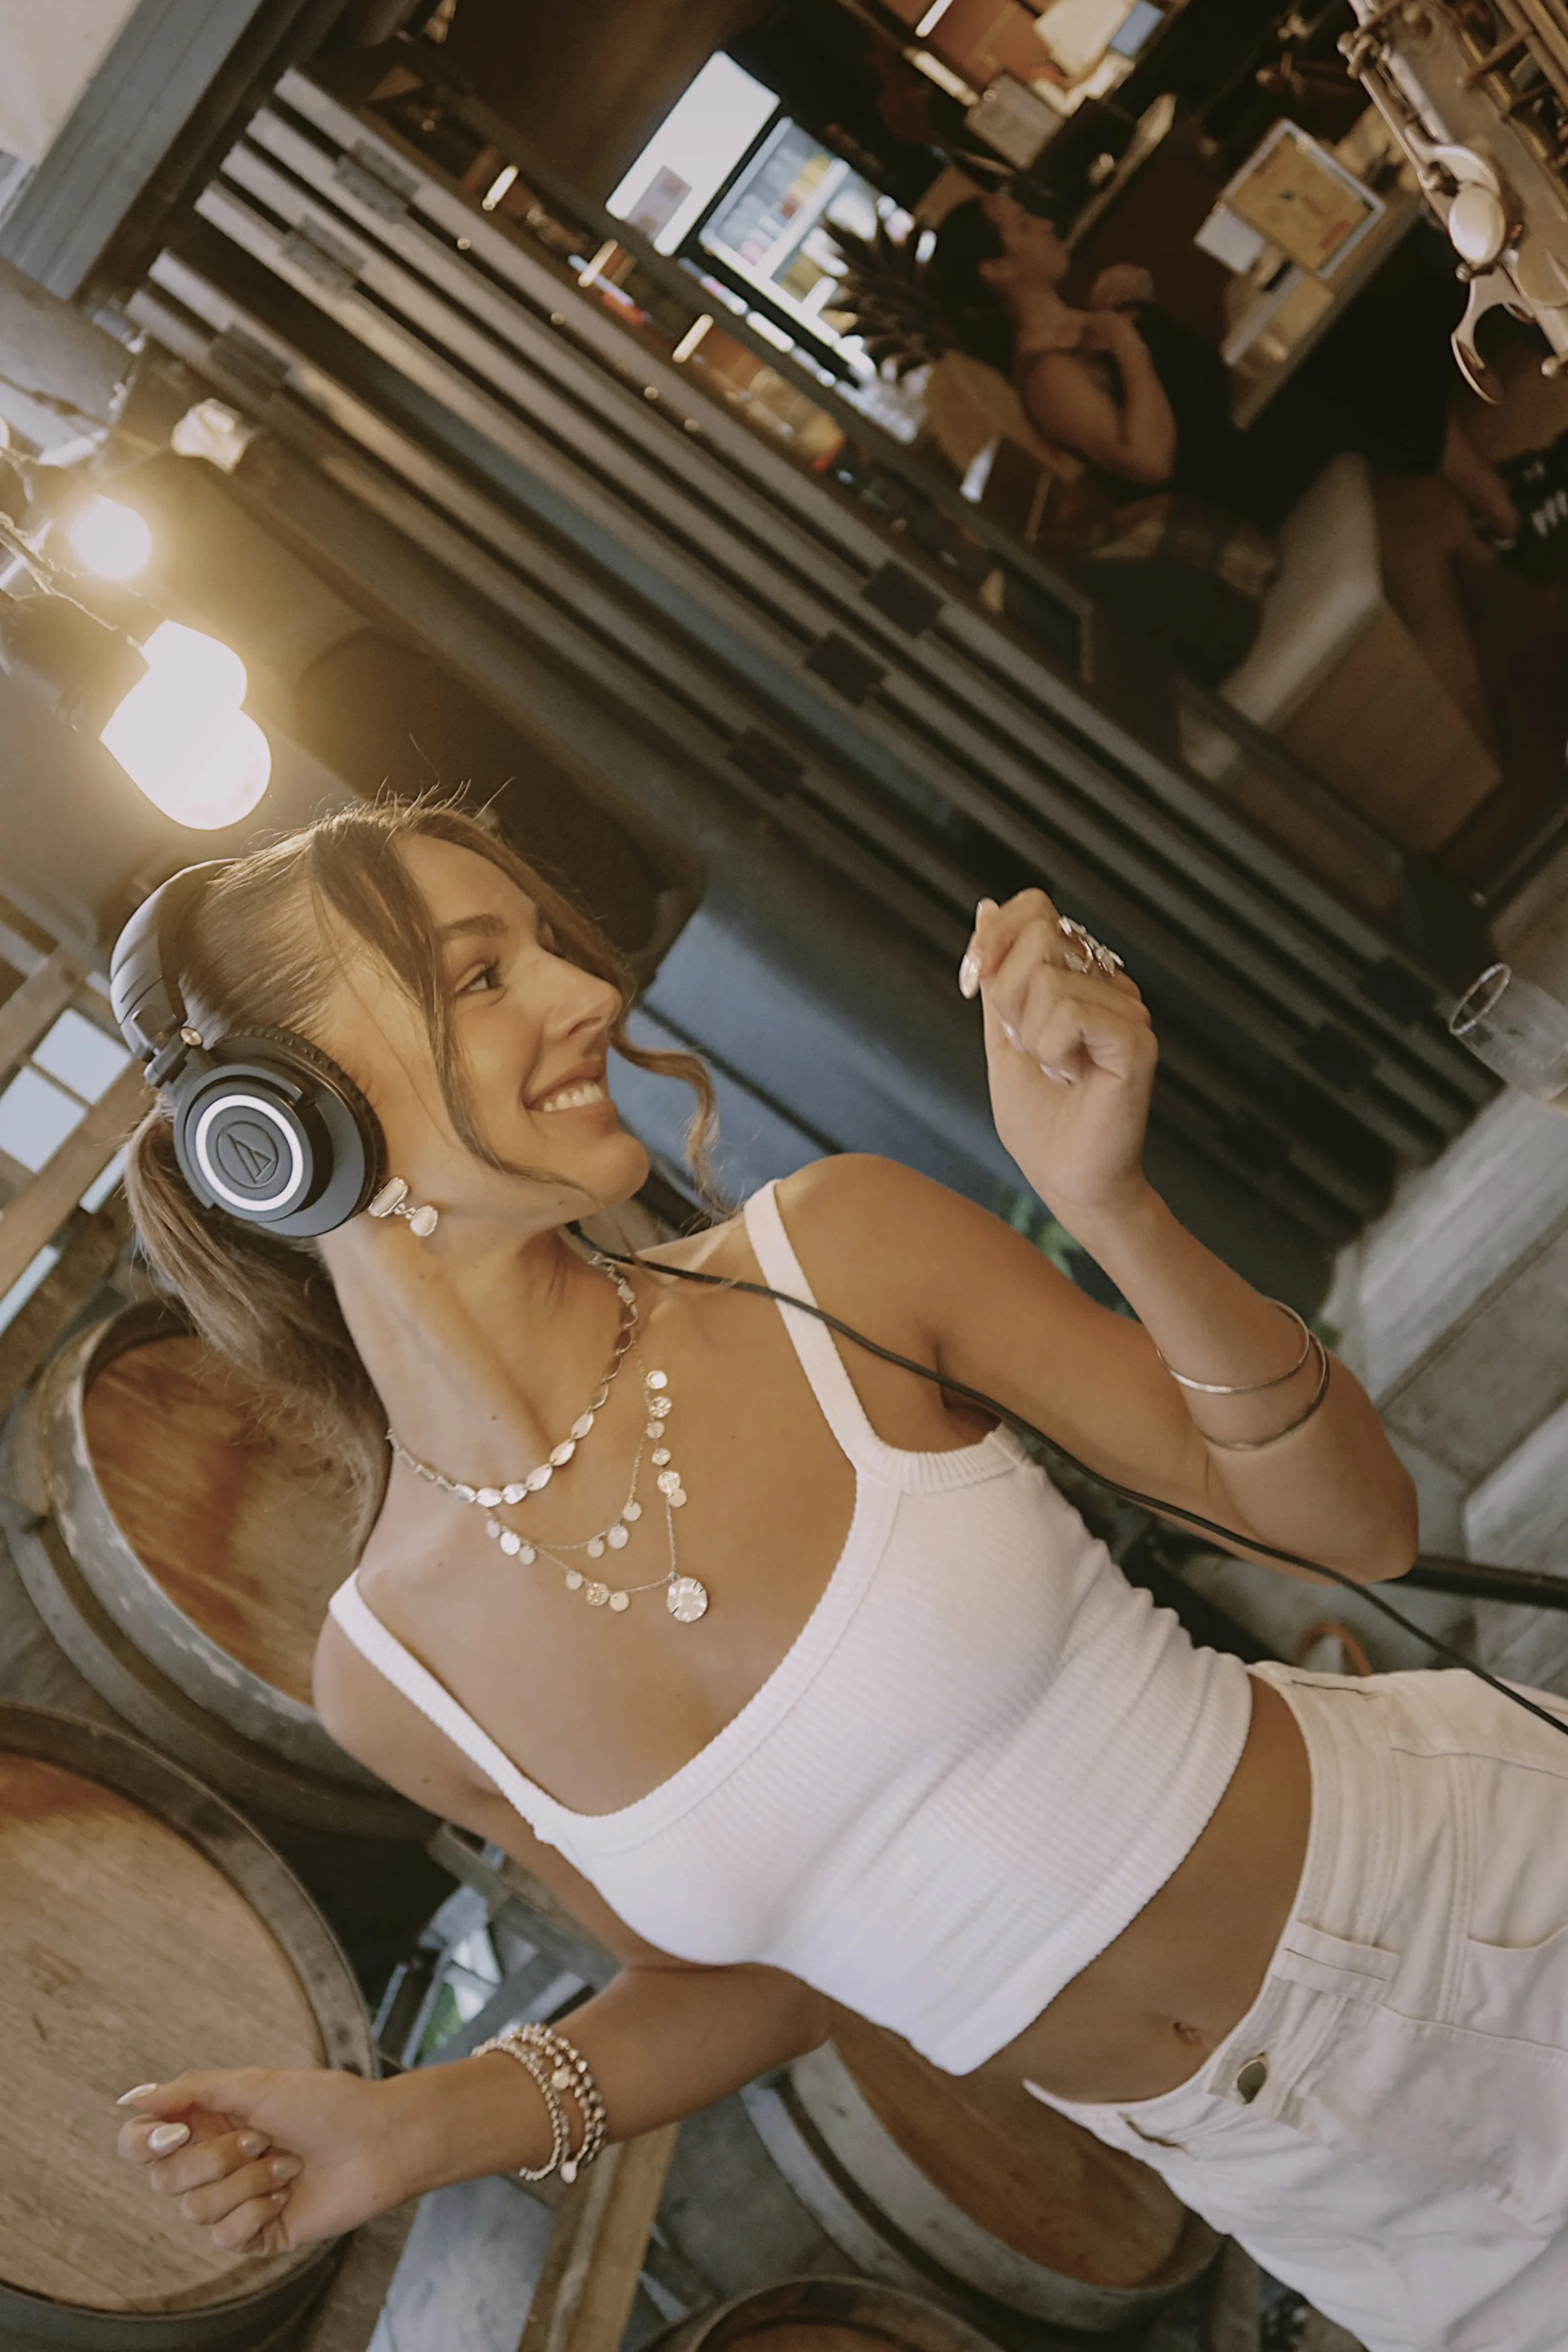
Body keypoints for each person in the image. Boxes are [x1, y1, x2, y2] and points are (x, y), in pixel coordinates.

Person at [111, 800, 1568, 2351]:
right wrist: (414, 2128)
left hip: (1485, 1903)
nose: (587, 994)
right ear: (278, 1130)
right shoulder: (393, 1674)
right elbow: (748, 1981)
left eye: (544, 944)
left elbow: (1361, 1531)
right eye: (477, 977)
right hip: (1305, 2185)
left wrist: (1110, 1207)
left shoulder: (834, 1257)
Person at [924, 191, 1523, 540]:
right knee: (1347, 359)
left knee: (1350, 328)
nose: (1046, 223)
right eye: (1024, 227)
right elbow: (1150, 459)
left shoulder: (1080, 319)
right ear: (997, 271)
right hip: (1237, 478)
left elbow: (1165, 384)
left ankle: (1494, 487)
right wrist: (1127, 344)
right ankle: (1501, 508)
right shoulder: (1046, 377)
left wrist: (1130, 309)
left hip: (1239, 425)